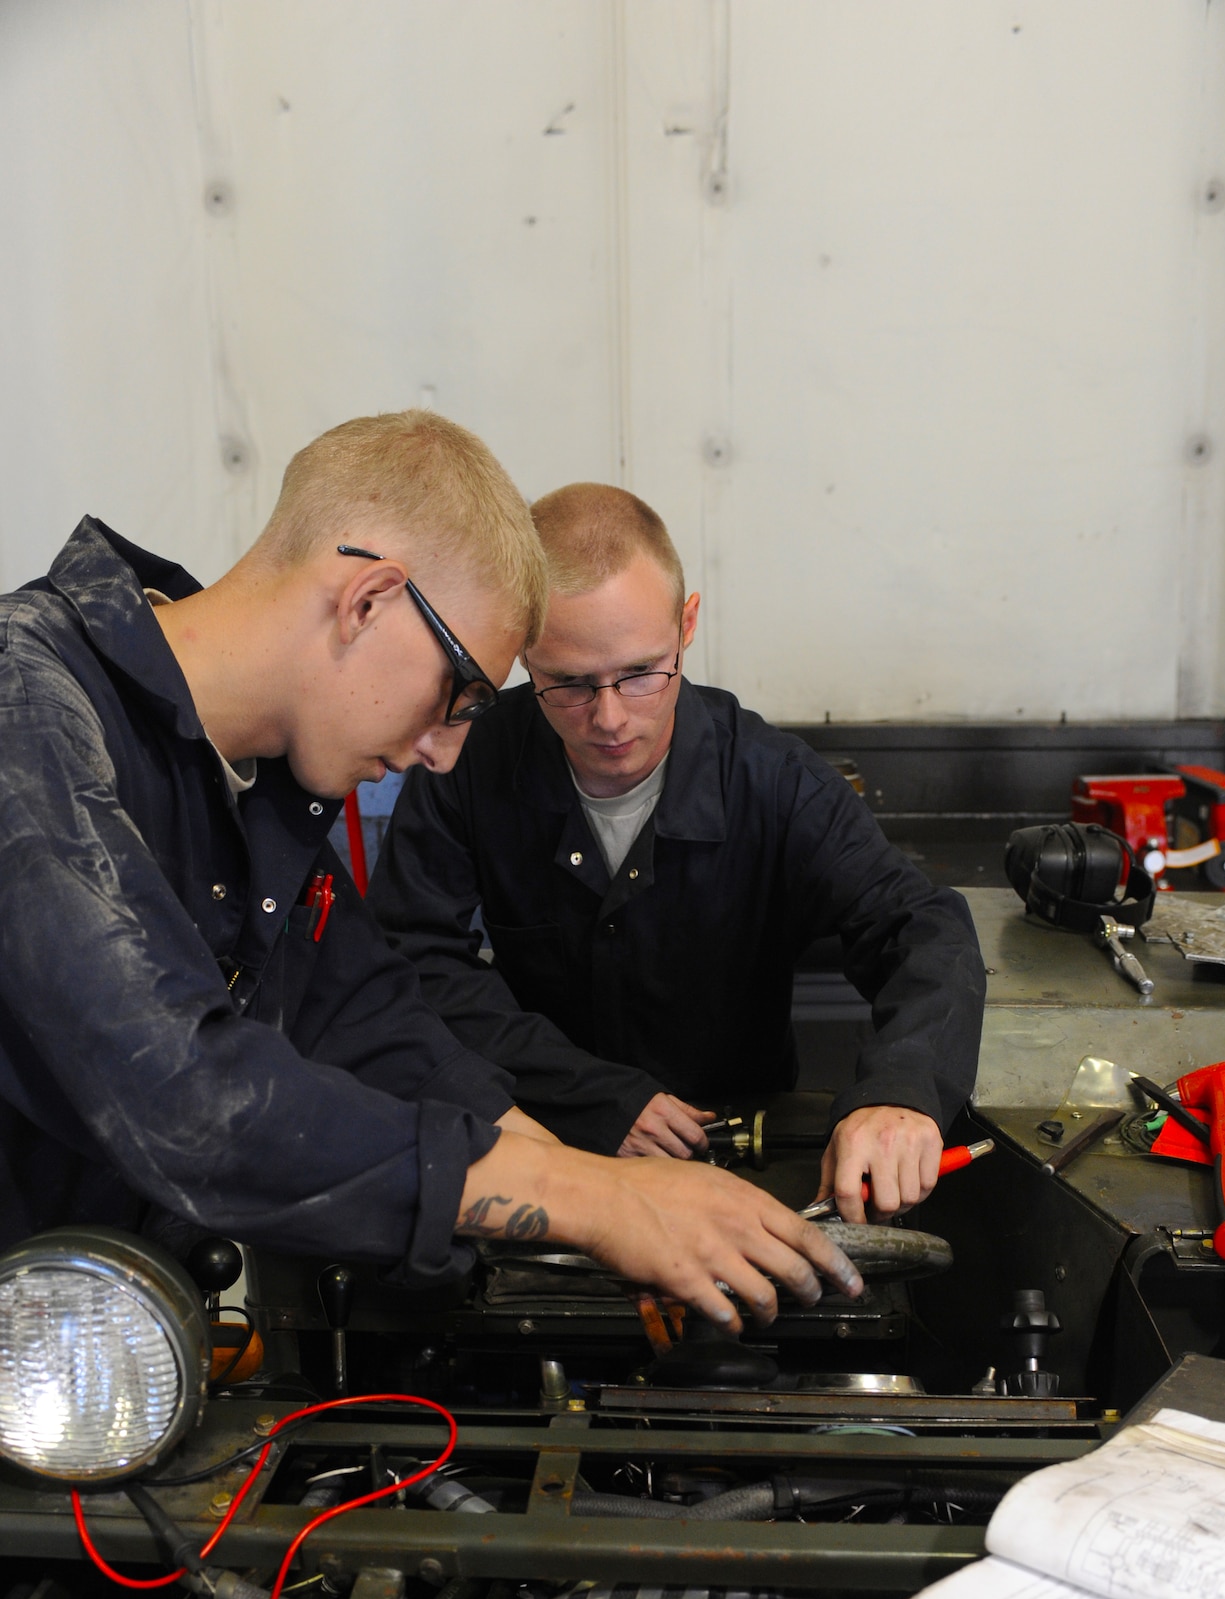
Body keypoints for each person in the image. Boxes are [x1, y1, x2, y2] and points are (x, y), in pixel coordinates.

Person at [0, 415, 858, 1331]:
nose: (446, 755)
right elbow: (183, 1094)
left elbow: (366, 1017)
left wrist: (621, 1191)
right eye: (459, 701)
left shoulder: (251, 784)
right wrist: (592, 1203)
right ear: (368, 600)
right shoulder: (27, 715)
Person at [370, 483, 986, 1220]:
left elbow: (921, 928)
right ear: (521, 648)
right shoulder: (466, 762)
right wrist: (591, 1092)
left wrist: (899, 1091)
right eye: (566, 684)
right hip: (542, 1145)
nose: (608, 718)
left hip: (740, 1152)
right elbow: (410, 958)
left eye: (639, 673)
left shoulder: (773, 781)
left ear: (685, 624)